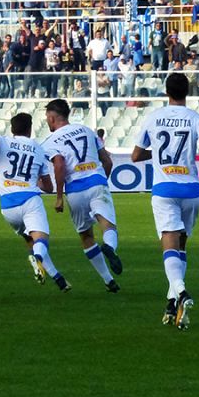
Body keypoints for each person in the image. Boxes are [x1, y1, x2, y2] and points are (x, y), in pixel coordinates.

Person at [131, 74, 199, 330]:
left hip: (165, 188)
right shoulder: (196, 118)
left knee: (169, 245)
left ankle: (181, 291)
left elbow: (135, 155)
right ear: (187, 92)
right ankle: (171, 302)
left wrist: (157, 152)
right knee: (181, 247)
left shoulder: (153, 117)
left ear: (166, 92)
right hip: (191, 189)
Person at [0, 113, 71, 292]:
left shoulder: (3, 141)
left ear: (12, 129)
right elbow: (48, 187)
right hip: (29, 201)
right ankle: (37, 258)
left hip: (8, 206)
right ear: (30, 128)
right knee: (41, 239)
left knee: (30, 240)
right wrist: (34, 181)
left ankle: (58, 278)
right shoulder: (38, 148)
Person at [42, 99, 121, 292]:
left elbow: (59, 165)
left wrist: (59, 196)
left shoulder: (49, 142)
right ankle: (110, 247)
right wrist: (101, 181)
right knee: (107, 225)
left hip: (75, 190)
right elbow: (107, 161)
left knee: (86, 236)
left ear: (52, 118)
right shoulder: (87, 131)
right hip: (96, 181)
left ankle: (108, 280)